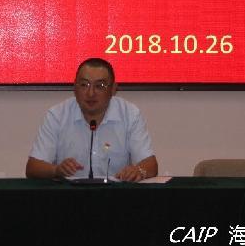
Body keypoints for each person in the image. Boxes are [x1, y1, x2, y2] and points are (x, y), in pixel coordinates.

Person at [26, 58, 158, 182]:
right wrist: (56, 170)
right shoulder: (57, 115)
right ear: (75, 87)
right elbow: (33, 168)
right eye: (84, 85)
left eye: (100, 86)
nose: (90, 93)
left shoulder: (130, 114)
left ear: (113, 89)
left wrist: (138, 171)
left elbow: (151, 164)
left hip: (115, 194)